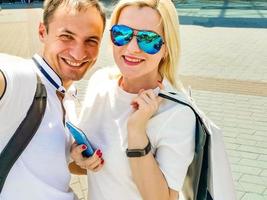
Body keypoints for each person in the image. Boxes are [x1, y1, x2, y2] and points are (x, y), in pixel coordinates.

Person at [70, 0, 196, 199]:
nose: (132, 48)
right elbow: (100, 170)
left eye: (148, 39)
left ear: (166, 49)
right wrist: (80, 160)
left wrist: (136, 132)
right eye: (122, 34)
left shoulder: (177, 112)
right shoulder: (100, 83)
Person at [0, 0, 105, 199]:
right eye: (66, 36)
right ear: (42, 32)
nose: (78, 53)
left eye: (91, 40)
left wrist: (78, 161)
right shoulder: (22, 78)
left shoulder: (68, 95)